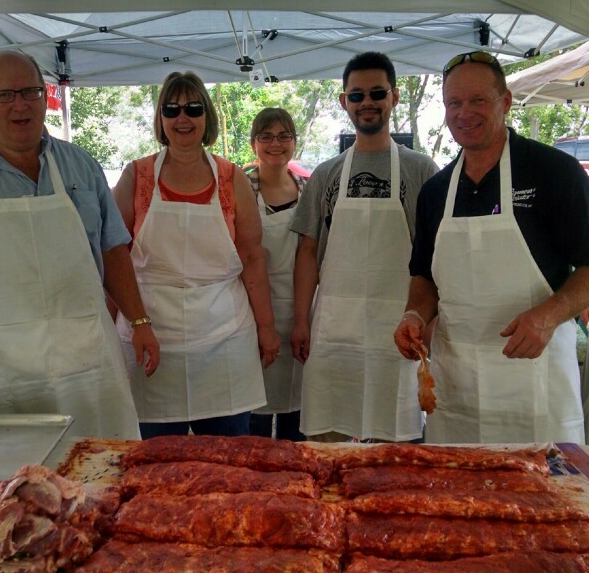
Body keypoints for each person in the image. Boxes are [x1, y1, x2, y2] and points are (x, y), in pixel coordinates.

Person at [0, 50, 158, 440]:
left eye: (30, 92)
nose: (20, 105)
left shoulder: (80, 166)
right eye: (4, 95)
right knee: (18, 490)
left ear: (45, 97)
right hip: (7, 375)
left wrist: (139, 321)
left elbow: (113, 252)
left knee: (106, 479)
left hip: (90, 365)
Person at [393, 51, 589, 445]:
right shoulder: (436, 191)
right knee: (458, 494)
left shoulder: (554, 172)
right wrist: (414, 314)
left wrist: (549, 316)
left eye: (478, 100)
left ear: (506, 101)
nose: (464, 113)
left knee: (543, 500)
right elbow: (425, 276)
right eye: (454, 103)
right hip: (457, 384)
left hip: (534, 380)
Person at [112, 71, 278, 439]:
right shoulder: (135, 176)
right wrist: (111, 330)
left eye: (193, 108)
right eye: (172, 110)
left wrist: (266, 328)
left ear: (208, 117)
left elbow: (252, 257)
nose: (182, 118)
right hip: (151, 338)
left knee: (227, 461)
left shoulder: (232, 178)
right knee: (155, 463)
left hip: (224, 339)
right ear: (160, 119)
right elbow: (113, 258)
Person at [290, 52, 439, 443]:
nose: (366, 103)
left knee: (396, 454)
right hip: (334, 332)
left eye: (377, 93)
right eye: (356, 96)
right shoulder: (326, 174)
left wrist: (429, 322)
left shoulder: (422, 171)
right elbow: (308, 253)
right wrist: (301, 319)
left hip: (400, 332)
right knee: (327, 449)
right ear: (344, 102)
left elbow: (435, 259)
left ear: (394, 97)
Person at [246, 108, 308, 442]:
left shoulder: (308, 191)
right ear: (254, 143)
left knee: (294, 416)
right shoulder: (240, 190)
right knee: (253, 415)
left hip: (299, 313)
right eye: (266, 136)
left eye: (284, 136)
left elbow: (311, 256)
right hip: (252, 312)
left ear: (295, 142)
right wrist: (261, 323)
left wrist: (303, 319)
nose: (276, 143)